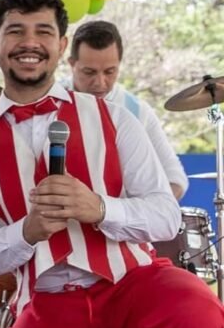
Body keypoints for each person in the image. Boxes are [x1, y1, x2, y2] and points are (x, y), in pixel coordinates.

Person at [0, 0, 224, 328]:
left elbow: (166, 217)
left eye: (43, 31)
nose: (30, 42)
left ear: (62, 46)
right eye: (16, 31)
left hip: (132, 285)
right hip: (49, 305)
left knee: (195, 304)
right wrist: (27, 231)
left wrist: (100, 208)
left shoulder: (116, 117)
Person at [60, 20, 188, 200]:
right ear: (72, 63)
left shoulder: (138, 111)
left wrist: (151, 210)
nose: (100, 82)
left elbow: (175, 180)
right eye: (89, 72)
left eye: (109, 72)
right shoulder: (49, 101)